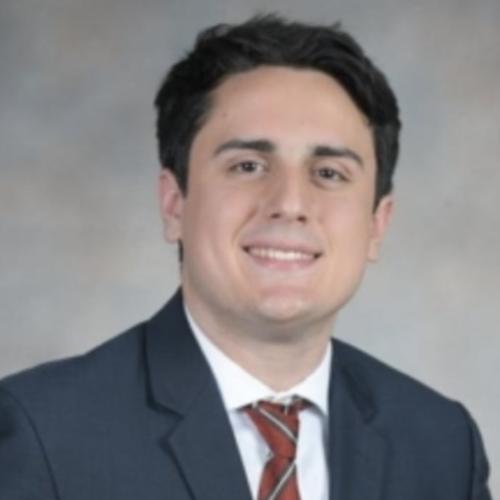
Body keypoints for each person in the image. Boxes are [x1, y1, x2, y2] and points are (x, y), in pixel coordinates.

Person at [0, 14, 491, 500]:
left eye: (329, 173)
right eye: (249, 165)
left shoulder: (442, 444)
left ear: (377, 224)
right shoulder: (43, 431)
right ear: (174, 204)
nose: (290, 203)